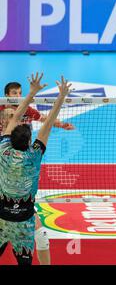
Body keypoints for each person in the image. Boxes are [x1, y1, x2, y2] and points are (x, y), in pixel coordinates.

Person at [0, 80, 75, 265]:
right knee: (38, 239)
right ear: (29, 141)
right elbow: (47, 124)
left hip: (3, 218)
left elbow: (17, 117)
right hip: (23, 225)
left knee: (41, 235)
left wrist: (31, 93)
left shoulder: (3, 149)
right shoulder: (35, 155)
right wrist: (62, 95)